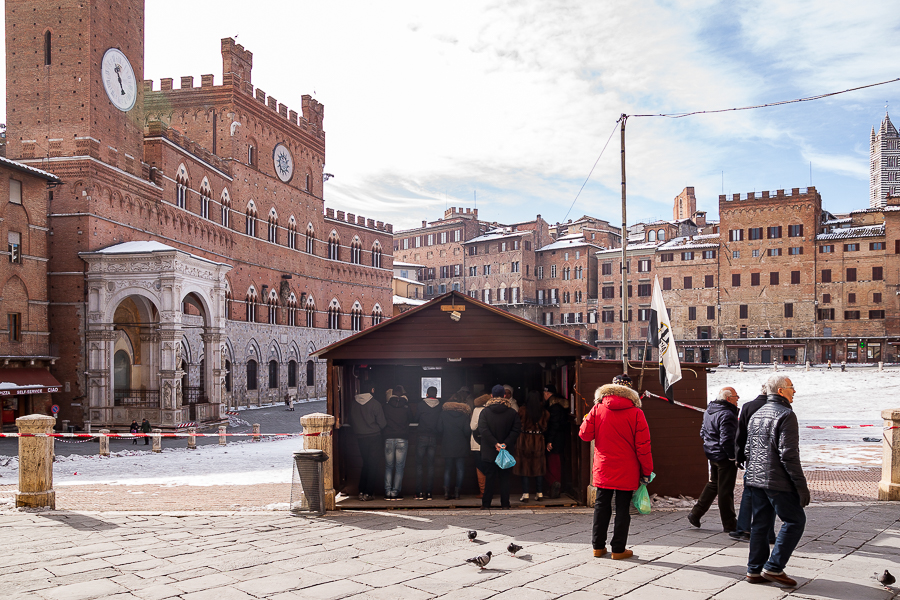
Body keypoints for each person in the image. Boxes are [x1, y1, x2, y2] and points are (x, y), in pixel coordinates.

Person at [743, 374, 809, 587]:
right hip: (776, 480)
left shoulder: (758, 413)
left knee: (760, 524)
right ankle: (773, 567)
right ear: (780, 391)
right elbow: (788, 454)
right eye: (791, 387)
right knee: (795, 520)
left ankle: (754, 570)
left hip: (755, 480)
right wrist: (800, 485)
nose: (794, 391)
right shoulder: (786, 414)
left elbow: (747, 450)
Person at [579, 374, 652, 560]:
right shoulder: (636, 413)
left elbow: (584, 435)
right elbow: (643, 447)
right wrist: (646, 471)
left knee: (601, 506)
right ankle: (618, 549)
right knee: (622, 508)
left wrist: (588, 417)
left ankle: (598, 547)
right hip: (627, 469)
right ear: (630, 391)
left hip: (604, 467)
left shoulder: (598, 408)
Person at [688, 387, 740, 532]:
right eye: (736, 396)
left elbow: (702, 432)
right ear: (728, 399)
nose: (738, 399)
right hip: (724, 456)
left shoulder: (710, 411)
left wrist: (710, 446)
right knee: (725, 490)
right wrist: (732, 456)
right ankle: (729, 524)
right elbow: (727, 440)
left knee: (714, 484)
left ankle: (696, 513)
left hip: (712, 453)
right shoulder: (727, 414)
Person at [730, 385, 776, 543]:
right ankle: (768, 533)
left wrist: (739, 455)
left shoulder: (748, 406)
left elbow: (740, 433)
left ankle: (743, 528)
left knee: (749, 492)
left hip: (751, 456)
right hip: (771, 458)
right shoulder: (776, 407)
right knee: (770, 494)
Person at [477, 384, 521, 509]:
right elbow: (516, 429)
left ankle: (486, 505)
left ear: (491, 396)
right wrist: (505, 443)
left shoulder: (485, 412)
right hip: (506, 451)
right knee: (505, 479)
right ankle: (505, 504)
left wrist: (494, 443)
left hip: (489, 451)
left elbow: (483, 430)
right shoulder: (512, 412)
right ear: (504, 396)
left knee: (489, 478)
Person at [349, 386, 386, 501]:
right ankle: (368, 493)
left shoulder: (353, 404)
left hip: (360, 437)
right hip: (374, 436)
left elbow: (351, 420)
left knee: (365, 464)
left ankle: (361, 490)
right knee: (373, 464)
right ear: (372, 390)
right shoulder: (375, 404)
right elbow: (382, 423)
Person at [513, 390, 549, 502]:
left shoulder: (522, 410)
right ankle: (539, 493)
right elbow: (545, 427)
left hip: (524, 440)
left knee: (525, 467)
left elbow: (518, 425)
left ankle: (526, 493)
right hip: (538, 440)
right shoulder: (544, 412)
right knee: (539, 467)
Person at [383, 387, 411, 500]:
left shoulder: (386, 407)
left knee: (389, 466)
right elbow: (412, 419)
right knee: (399, 467)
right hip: (402, 439)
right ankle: (395, 492)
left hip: (388, 438)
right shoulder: (406, 407)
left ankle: (387, 491)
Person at [440, 397, 472, 499]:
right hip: (461, 445)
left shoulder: (443, 414)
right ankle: (457, 493)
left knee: (448, 469)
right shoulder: (464, 416)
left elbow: (439, 428)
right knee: (460, 469)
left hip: (447, 443)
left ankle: (446, 492)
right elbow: (467, 431)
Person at [414, 386, 442, 500]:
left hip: (421, 436)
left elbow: (416, 418)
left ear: (426, 394)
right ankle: (429, 493)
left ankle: (419, 493)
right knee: (431, 466)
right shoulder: (440, 406)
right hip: (434, 437)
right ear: (436, 394)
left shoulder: (421, 405)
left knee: (419, 465)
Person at [543, 384, 569, 499]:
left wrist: (549, 441)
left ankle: (555, 485)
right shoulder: (560, 407)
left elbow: (554, 425)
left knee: (553, 464)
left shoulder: (554, 408)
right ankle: (555, 485)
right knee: (556, 464)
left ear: (548, 394)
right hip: (560, 439)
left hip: (554, 440)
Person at [470, 390, 491, 496]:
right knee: (489, 465)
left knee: (479, 466)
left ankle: (483, 491)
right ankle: (489, 491)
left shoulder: (477, 410)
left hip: (477, 442)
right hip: (490, 442)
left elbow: (472, 427)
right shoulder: (491, 410)